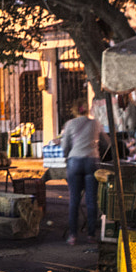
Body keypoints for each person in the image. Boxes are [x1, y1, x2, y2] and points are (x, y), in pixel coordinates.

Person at [59, 102, 104, 245]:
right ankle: (91, 235)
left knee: (74, 200)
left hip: (75, 163)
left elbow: (65, 146)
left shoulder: (70, 124)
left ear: (74, 111)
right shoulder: (96, 123)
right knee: (91, 201)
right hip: (92, 162)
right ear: (87, 110)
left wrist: (69, 155)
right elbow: (106, 143)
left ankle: (73, 236)